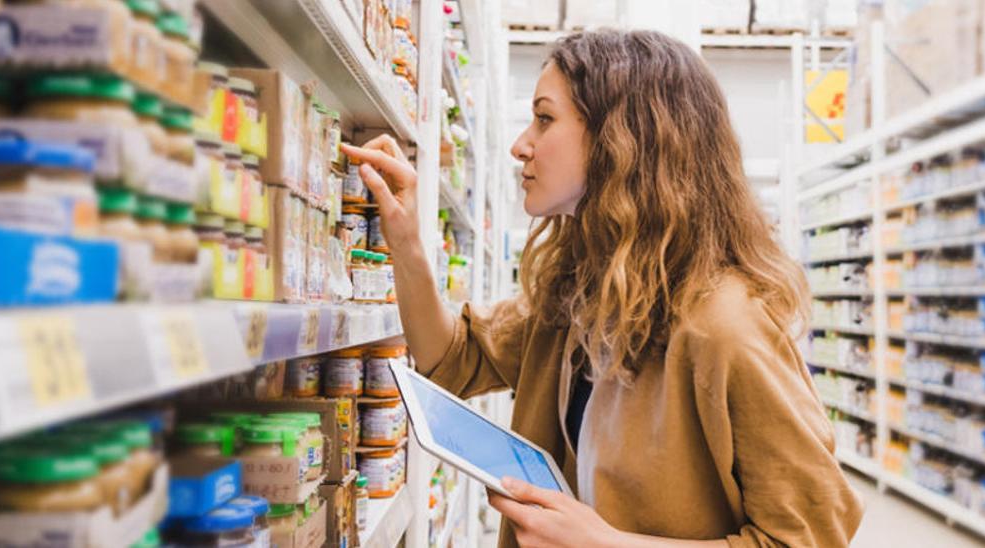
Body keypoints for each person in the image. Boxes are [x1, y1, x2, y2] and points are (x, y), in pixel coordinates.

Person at [343, 29, 863, 548]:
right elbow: (453, 359)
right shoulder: (581, 293)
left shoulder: (725, 326)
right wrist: (407, 241)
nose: (520, 144)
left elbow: (810, 538)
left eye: (544, 119)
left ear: (622, 139)